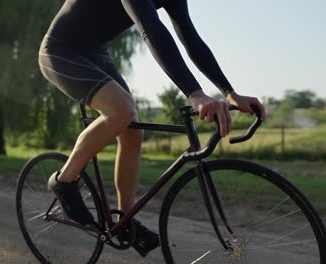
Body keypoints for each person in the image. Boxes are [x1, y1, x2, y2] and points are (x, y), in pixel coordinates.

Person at [39, 0, 266, 258]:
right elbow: (150, 28)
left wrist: (229, 92)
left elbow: (190, 39)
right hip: (60, 52)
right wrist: (195, 94)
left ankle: (124, 221)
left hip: (96, 53)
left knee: (133, 130)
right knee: (122, 110)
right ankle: (64, 180)